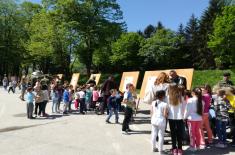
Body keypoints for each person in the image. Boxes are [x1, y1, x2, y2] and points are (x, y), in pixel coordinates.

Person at [184, 87, 205, 152]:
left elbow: (187, 110)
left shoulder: (190, 100)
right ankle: (198, 146)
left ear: (193, 93)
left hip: (191, 119)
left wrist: (184, 117)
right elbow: (202, 111)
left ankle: (192, 146)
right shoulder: (202, 101)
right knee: (197, 133)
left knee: (191, 133)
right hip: (199, 119)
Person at [168, 84, 184, 155]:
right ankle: (180, 149)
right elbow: (184, 107)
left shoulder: (168, 97)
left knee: (173, 133)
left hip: (171, 117)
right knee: (179, 133)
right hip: (180, 117)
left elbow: (167, 108)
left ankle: (174, 148)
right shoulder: (181, 96)